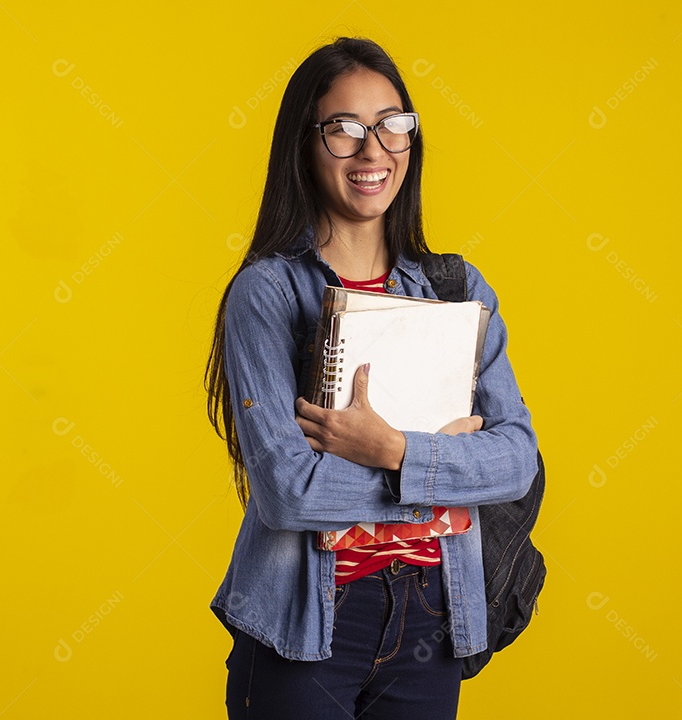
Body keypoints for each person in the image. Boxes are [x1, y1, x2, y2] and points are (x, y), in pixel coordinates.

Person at [205, 36, 539, 719]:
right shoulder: (266, 295)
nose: (373, 151)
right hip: (306, 624)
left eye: (392, 126)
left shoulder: (456, 290)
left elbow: (517, 460)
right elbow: (288, 493)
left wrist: (391, 451)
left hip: (433, 615)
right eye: (345, 130)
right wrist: (443, 476)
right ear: (305, 144)